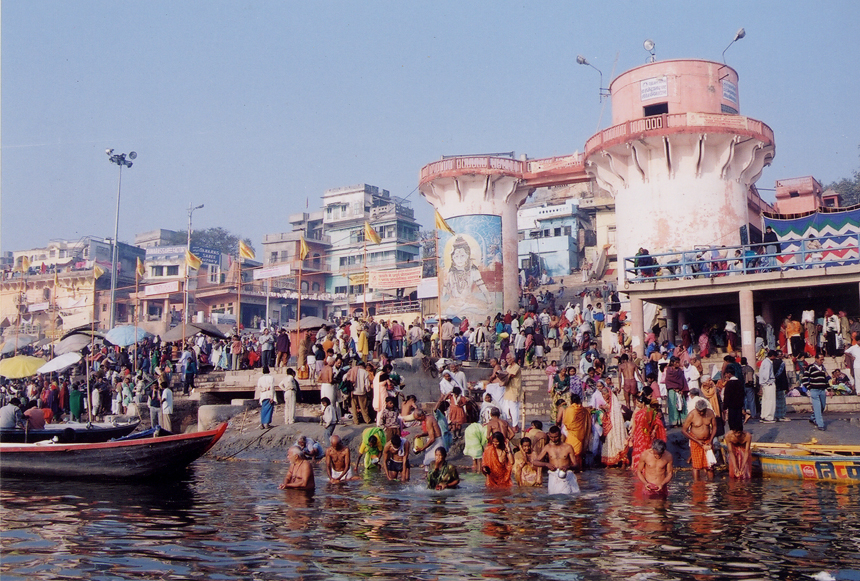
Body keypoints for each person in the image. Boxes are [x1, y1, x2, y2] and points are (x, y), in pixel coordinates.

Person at [533, 425, 580, 495]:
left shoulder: (568, 447)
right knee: (554, 500)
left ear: (560, 435)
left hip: (565, 475)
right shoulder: (548, 447)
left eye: (556, 437)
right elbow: (535, 462)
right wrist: (546, 464)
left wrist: (568, 467)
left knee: (566, 498)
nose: (554, 439)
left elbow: (576, 465)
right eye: (551, 437)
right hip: (553, 475)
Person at [627, 396, 666, 470]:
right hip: (638, 435)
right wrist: (632, 434)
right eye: (636, 403)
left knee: (647, 449)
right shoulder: (636, 412)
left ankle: (647, 466)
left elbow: (657, 423)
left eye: (638, 403)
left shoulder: (650, 411)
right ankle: (637, 467)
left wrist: (654, 431)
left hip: (647, 435)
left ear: (643, 403)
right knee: (637, 450)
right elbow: (634, 425)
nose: (637, 405)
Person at [682, 399, 717, 478]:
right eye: (699, 411)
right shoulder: (692, 415)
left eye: (703, 411)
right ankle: (697, 486)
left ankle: (712, 486)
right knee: (696, 466)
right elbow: (684, 430)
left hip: (708, 440)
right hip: (695, 441)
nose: (701, 413)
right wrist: (697, 441)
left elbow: (714, 427)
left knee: (710, 465)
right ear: (696, 409)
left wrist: (711, 441)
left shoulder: (710, 413)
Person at [562, 393, 590, 468]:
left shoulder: (570, 409)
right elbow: (587, 422)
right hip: (581, 434)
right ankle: (579, 468)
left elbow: (566, 422)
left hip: (571, 434)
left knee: (570, 451)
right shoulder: (584, 410)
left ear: (571, 401)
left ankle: (570, 467)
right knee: (578, 452)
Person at [805, 353, 829, 431]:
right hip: (814, 390)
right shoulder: (810, 367)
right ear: (816, 359)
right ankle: (820, 424)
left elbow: (825, 379)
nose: (822, 361)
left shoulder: (823, 368)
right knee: (817, 407)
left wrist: (829, 388)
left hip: (822, 390)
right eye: (820, 359)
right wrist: (809, 387)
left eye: (823, 359)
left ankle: (812, 417)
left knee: (822, 406)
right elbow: (804, 379)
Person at [758, 350, 778, 423]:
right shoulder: (768, 363)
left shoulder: (764, 362)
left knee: (765, 401)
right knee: (770, 401)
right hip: (769, 384)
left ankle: (764, 415)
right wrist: (768, 381)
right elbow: (766, 374)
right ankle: (768, 417)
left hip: (764, 384)